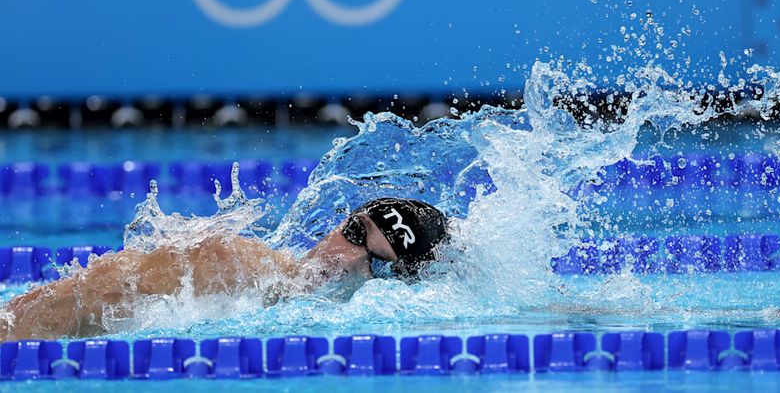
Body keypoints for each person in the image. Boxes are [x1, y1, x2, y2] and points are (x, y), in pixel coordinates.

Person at [0, 198, 449, 342]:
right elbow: (43, 313)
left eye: (376, 263)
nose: (347, 258)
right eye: (353, 231)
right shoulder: (224, 263)